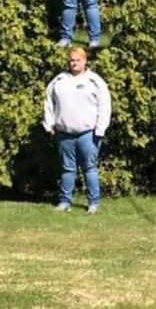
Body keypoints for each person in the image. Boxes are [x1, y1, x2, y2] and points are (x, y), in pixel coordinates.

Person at [43, 46, 112, 213]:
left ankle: (93, 203)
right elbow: (49, 102)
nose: (74, 63)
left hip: (88, 134)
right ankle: (64, 202)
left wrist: (100, 129)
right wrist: (49, 124)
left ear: (85, 61)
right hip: (64, 134)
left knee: (89, 168)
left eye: (77, 60)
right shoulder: (59, 80)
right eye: (71, 60)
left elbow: (105, 105)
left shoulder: (95, 81)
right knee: (67, 169)